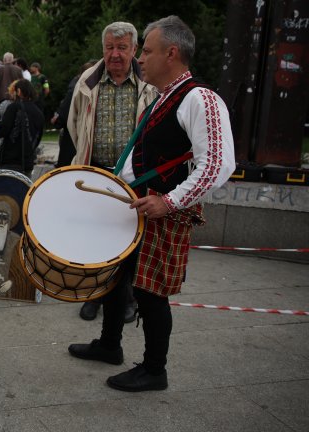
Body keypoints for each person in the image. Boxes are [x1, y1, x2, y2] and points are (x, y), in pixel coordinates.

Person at [68, 15, 235, 392]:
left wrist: (170, 201)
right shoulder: (165, 97)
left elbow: (218, 164)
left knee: (151, 292)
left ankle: (154, 369)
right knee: (117, 277)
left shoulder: (200, 98)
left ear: (171, 53)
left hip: (164, 212)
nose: (140, 59)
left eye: (146, 50)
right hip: (142, 206)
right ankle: (110, 345)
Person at [67, 22, 157, 322]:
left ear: (134, 49)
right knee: (93, 241)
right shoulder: (88, 82)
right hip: (95, 174)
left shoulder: (150, 85)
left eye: (121, 48)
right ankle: (94, 297)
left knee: (129, 242)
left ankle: (127, 298)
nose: (115, 54)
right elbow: (74, 125)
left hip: (135, 179)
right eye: (109, 47)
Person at [0, 79, 43, 176]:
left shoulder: (14, 108)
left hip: (10, 161)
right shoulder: (39, 112)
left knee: (7, 190)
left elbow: (2, 131)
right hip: (27, 162)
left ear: (19, 91)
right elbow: (37, 138)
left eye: (13, 92)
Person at [51, 59, 97, 167]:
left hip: (75, 141)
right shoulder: (80, 88)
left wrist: (57, 119)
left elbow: (62, 114)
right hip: (78, 139)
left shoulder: (77, 87)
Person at [0, 52, 23, 118]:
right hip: (15, 98)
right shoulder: (19, 70)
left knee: (1, 118)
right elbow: (22, 84)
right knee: (14, 118)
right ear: (12, 60)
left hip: (1, 98)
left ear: (4, 60)